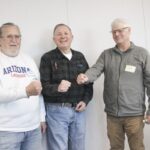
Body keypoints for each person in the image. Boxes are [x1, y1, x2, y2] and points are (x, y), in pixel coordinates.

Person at [77, 18, 150, 150]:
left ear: (129, 31)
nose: (116, 34)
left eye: (120, 31)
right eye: (113, 32)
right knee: (115, 147)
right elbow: (96, 69)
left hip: (135, 115)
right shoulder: (107, 55)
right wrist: (86, 76)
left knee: (137, 147)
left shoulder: (142, 54)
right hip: (113, 115)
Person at [40, 23, 93, 150]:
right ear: (54, 39)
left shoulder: (80, 56)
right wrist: (57, 88)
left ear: (72, 37)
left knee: (78, 147)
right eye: (59, 34)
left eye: (65, 33)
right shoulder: (47, 58)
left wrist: (85, 101)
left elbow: (89, 83)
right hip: (57, 111)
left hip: (79, 111)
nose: (62, 36)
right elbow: (43, 87)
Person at [0, 23, 46, 150]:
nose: (14, 40)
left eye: (17, 36)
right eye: (9, 36)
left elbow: (38, 90)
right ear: (0, 40)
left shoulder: (28, 60)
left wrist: (41, 118)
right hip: (6, 130)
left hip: (33, 129)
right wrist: (25, 92)